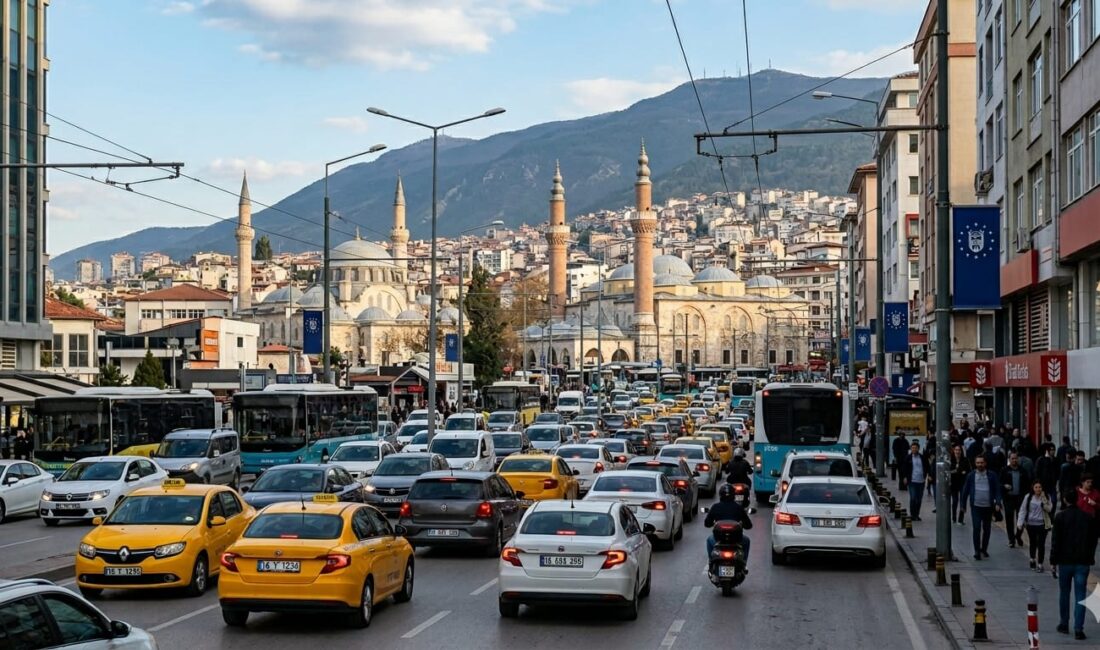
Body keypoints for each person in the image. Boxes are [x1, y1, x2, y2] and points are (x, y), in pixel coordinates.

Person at [1050, 495, 1097, 640]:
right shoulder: (1088, 517)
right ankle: (1078, 629)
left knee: (1064, 592)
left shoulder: (1060, 517)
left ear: (1065, 500)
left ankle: (1064, 624)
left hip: (1064, 561)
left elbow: (1055, 541)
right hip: (1082, 562)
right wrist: (1090, 557)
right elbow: (1093, 540)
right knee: (1080, 595)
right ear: (1076, 500)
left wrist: (1053, 561)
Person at [960, 455, 1003, 560]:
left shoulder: (992, 475)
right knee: (976, 528)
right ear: (975, 464)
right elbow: (965, 491)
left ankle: (984, 548)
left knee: (987, 529)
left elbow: (997, 489)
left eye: (981, 462)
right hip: (976, 507)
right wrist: (963, 505)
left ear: (985, 463)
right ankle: (976, 551)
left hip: (988, 507)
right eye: (978, 463)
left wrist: (997, 503)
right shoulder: (971, 476)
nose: (980, 465)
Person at [705, 483, 753, 567]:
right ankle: (743, 563)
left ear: (720, 495)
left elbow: (707, 523)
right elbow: (748, 525)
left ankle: (711, 562)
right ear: (733, 495)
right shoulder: (738, 507)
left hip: (718, 540)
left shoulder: (715, 507)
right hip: (736, 540)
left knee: (709, 540)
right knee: (747, 541)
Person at [1015, 480, 1052, 572]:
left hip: (1043, 524)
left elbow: (1050, 509)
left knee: (1041, 544)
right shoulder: (1028, 497)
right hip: (1031, 524)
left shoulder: (1046, 497)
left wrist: (1044, 503)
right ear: (1033, 488)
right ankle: (1032, 559)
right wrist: (1020, 523)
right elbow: (1023, 510)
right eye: (1036, 487)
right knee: (1033, 542)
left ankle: (1040, 563)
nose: (1038, 489)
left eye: (1040, 487)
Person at [1001, 452, 1031, 548]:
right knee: (1009, 520)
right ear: (1009, 459)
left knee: (1020, 519)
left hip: (1020, 498)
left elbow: (1027, 484)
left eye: (1016, 458)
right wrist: (1004, 486)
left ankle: (1018, 535)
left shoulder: (1022, 471)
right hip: (1008, 498)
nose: (1014, 460)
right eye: (1012, 458)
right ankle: (1011, 539)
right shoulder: (1005, 470)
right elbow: (999, 483)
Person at [900, 442, 931, 521]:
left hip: (921, 481)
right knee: (913, 498)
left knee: (919, 499)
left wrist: (929, 475)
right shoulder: (908, 458)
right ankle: (912, 514)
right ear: (911, 449)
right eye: (912, 448)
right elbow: (904, 468)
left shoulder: (922, 457)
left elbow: (927, 467)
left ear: (918, 449)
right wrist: (904, 477)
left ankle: (917, 514)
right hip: (912, 481)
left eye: (915, 448)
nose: (914, 449)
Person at [1035, 444, 1061, 516]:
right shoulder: (1041, 460)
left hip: (1052, 484)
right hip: (1043, 484)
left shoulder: (1055, 460)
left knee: (1054, 501)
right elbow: (1037, 472)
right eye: (1051, 450)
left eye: (1054, 450)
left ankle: (1051, 515)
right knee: (1044, 501)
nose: (1053, 451)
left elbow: (1058, 472)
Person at [949, 444, 971, 524]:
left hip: (963, 483)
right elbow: (948, 471)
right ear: (953, 451)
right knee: (955, 501)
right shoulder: (950, 460)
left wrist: (963, 472)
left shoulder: (965, 460)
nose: (957, 452)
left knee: (962, 501)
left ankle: (961, 519)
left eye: (959, 450)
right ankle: (954, 517)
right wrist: (957, 471)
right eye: (956, 450)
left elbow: (968, 471)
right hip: (954, 483)